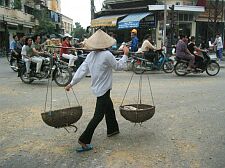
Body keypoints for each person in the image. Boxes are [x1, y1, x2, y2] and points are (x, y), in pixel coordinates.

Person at [65, 29, 129, 152]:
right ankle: (84, 140)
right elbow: (119, 66)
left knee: (109, 108)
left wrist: (71, 83)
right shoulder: (107, 55)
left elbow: (81, 71)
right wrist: (125, 55)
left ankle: (113, 130)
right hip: (103, 90)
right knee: (98, 116)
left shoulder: (90, 56)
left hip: (99, 89)